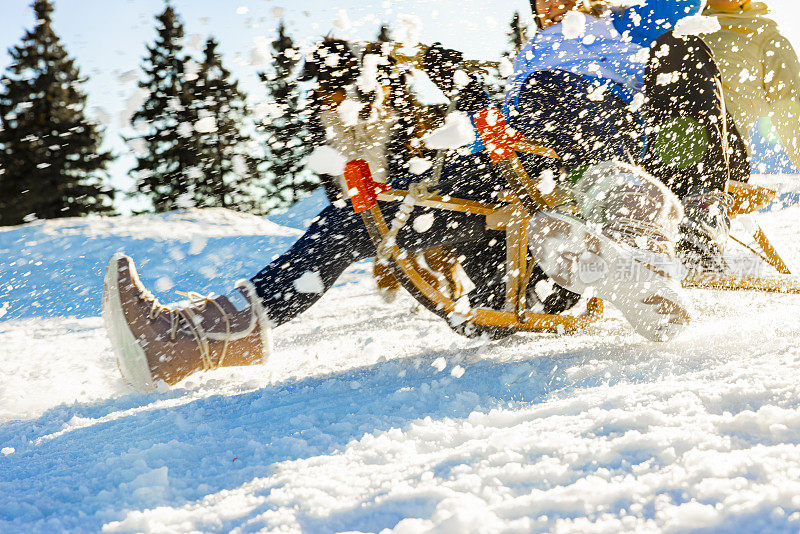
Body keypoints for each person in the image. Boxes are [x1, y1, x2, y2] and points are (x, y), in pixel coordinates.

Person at [103, 0, 737, 392]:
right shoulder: (526, 56)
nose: (552, 4)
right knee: (367, 213)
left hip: (575, 156)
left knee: (600, 176)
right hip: (500, 190)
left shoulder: (627, 25)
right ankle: (199, 337)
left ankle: (632, 259)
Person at [701, 0, 800, 172]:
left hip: (714, 148)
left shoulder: (766, 38)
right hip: (720, 150)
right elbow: (790, 108)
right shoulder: (767, 38)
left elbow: (791, 110)